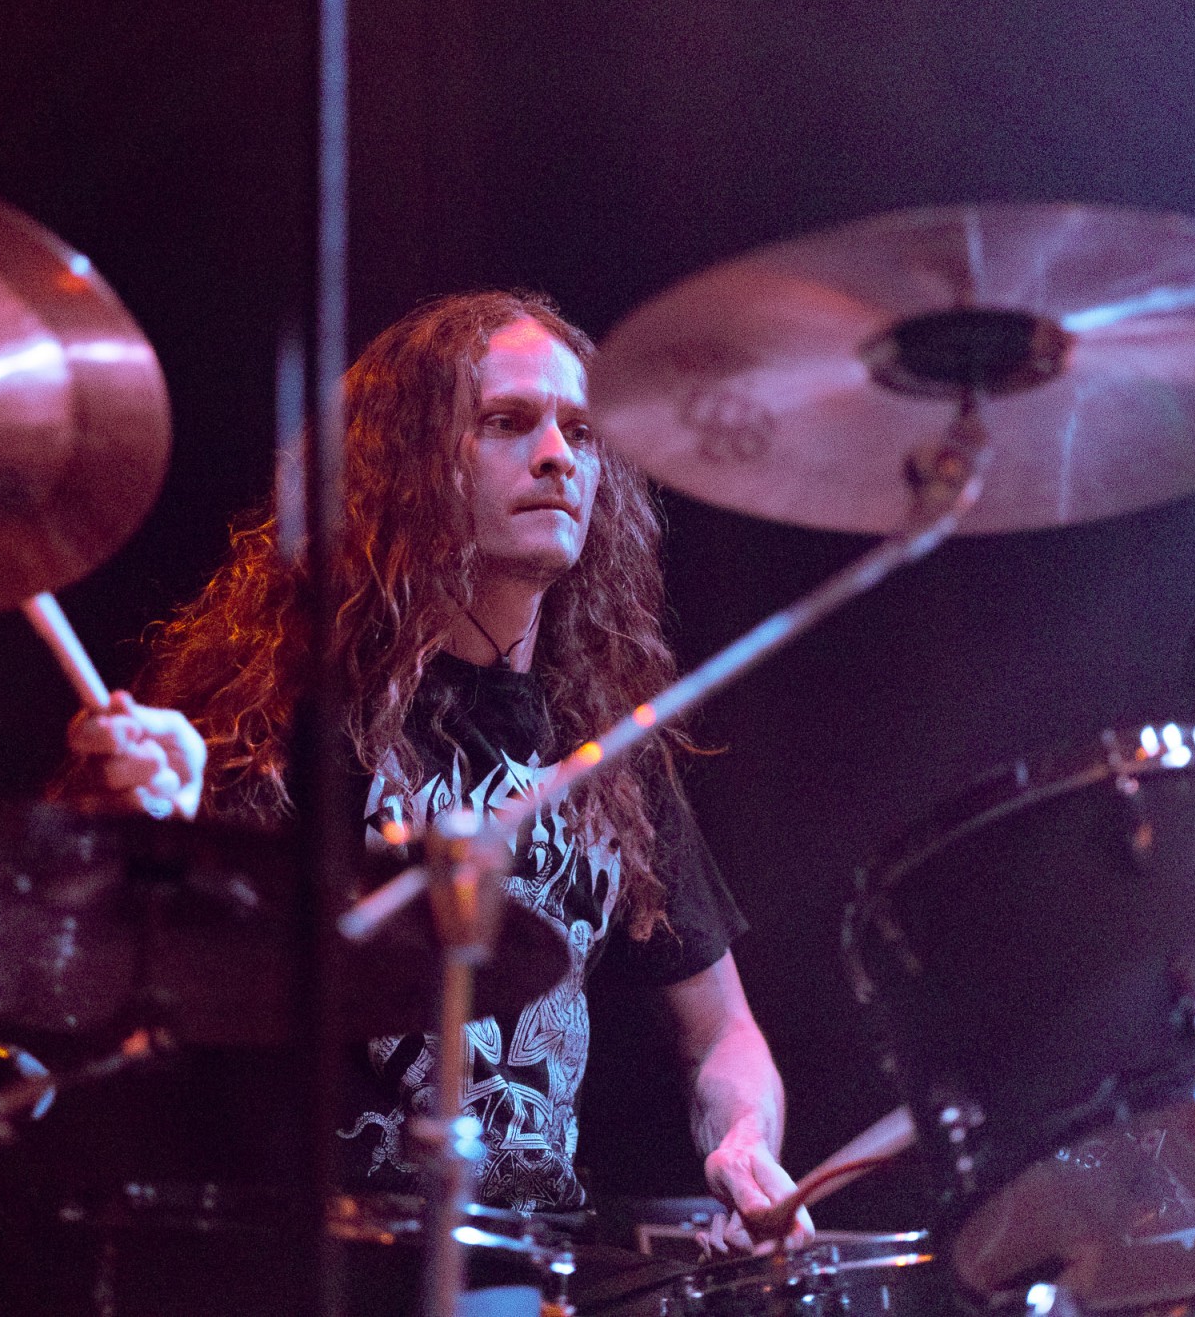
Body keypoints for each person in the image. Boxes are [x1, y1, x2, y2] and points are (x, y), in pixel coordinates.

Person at [64, 290, 810, 1250]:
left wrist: (744, 1138)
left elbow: (722, 1036)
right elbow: (114, 978)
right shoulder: (280, 711)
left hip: (531, 1268)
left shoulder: (608, 750)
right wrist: (145, 830)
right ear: (408, 464)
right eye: (507, 422)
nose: (558, 455)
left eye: (581, 431)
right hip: (316, 1263)